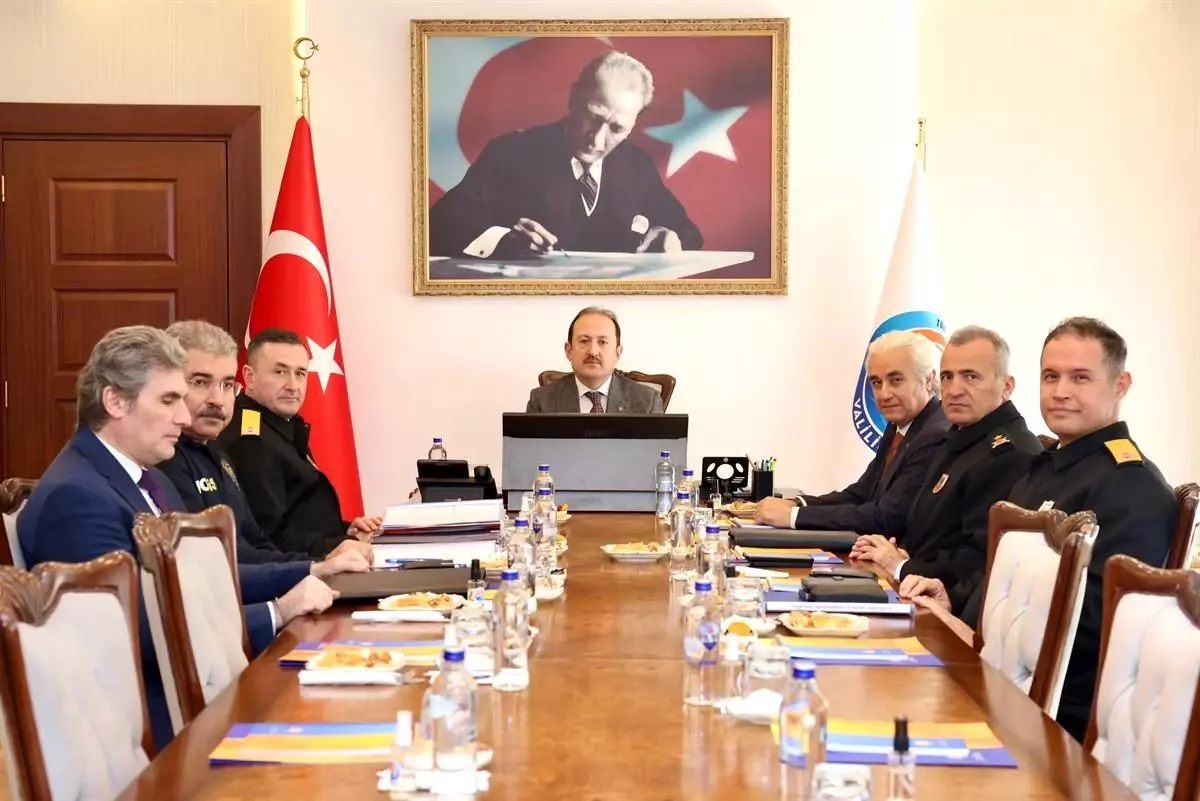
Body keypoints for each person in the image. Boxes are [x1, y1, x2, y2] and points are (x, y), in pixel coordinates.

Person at [16, 325, 337, 751]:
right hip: (152, 725)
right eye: (168, 400)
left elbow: (207, 579)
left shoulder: (149, 477)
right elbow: (136, 634)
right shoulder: (76, 498)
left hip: (200, 686)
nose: (184, 417)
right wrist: (275, 613)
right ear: (115, 401)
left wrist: (308, 573)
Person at [902, 317, 1175, 744]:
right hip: (991, 675)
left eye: (1080, 378)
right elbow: (1004, 578)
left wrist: (973, 638)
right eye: (1051, 376)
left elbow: (1088, 629)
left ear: (1120, 385)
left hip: (1048, 720)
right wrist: (953, 602)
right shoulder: (1047, 468)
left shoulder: (1132, 489)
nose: (1060, 391)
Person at [429, 50, 702, 260]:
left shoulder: (636, 166)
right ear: (573, 99)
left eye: (617, 129)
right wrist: (504, 239)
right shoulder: (512, 152)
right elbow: (440, 224)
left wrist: (670, 237)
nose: (597, 139)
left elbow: (689, 232)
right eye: (593, 117)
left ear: (633, 124)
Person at [850, 326, 1043, 610]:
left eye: (971, 377)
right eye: (947, 376)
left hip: (949, 611)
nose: (954, 390)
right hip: (916, 592)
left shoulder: (1009, 454)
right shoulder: (961, 437)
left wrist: (901, 565)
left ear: (1007, 386)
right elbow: (931, 533)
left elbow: (977, 562)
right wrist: (897, 552)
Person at [158, 320, 373, 573]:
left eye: (227, 385)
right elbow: (215, 565)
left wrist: (317, 563)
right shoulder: (170, 458)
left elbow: (254, 543)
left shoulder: (213, 449)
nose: (217, 400)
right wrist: (317, 564)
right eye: (200, 382)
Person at [755, 330, 950, 535]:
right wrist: (797, 504)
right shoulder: (899, 426)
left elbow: (887, 517)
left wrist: (794, 516)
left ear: (929, 380)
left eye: (896, 380)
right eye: (876, 382)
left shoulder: (934, 436)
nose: (884, 394)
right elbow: (861, 494)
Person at [220, 328, 382, 558]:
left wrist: (345, 531)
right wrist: (339, 544)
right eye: (280, 372)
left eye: (300, 373)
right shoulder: (252, 442)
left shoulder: (279, 425)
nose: (293, 385)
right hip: (297, 573)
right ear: (249, 377)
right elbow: (269, 539)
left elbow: (299, 515)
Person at [525, 307, 664, 414]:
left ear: (618, 353)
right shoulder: (541, 401)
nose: (593, 351)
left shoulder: (647, 402)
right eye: (584, 341)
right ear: (569, 350)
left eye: (602, 342)